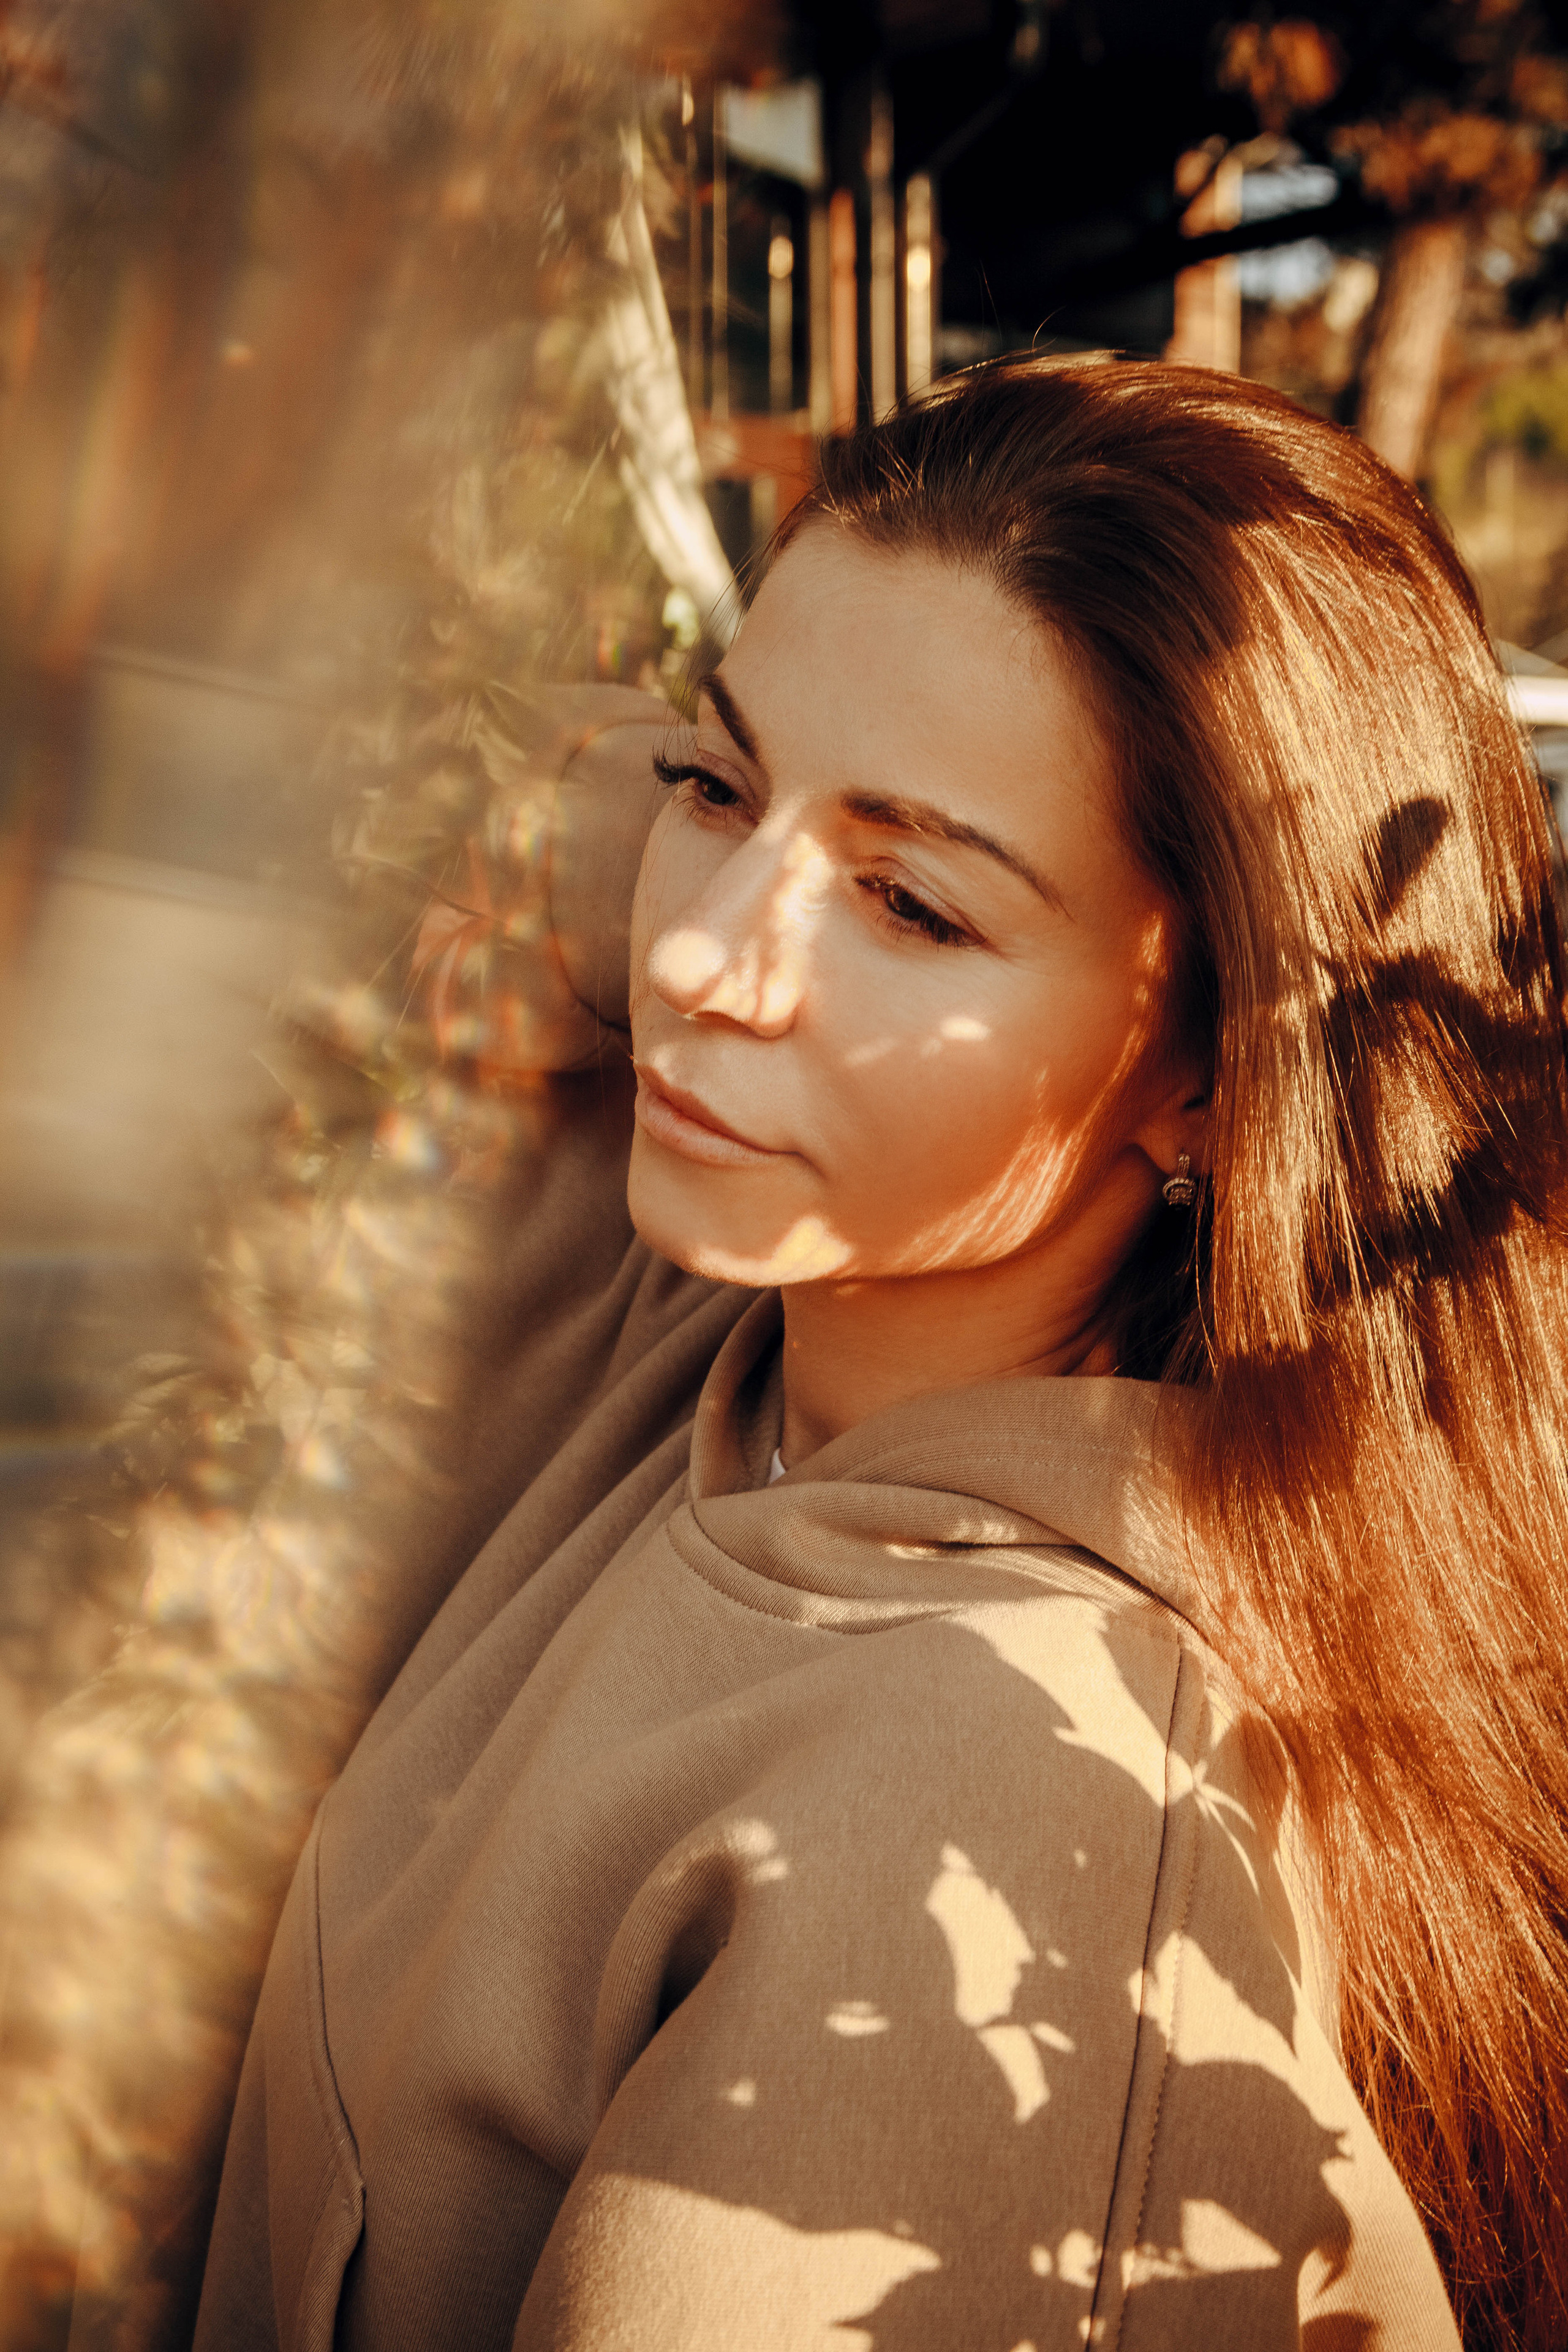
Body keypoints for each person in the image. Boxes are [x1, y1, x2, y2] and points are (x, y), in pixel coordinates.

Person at [194, 358, 1568, 2350]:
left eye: (913, 905)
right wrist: (786, 815)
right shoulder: (726, 1293)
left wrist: (781, 795)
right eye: (712, 788)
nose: (697, 960)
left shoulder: (1003, 1815)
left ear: (1220, 1070)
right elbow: (396, 823)